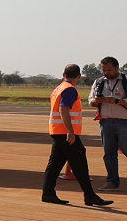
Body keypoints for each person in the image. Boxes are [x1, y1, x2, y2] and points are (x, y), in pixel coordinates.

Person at [41, 63, 114, 207]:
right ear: (79, 77)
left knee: (55, 164)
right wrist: (70, 131)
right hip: (65, 132)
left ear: (64, 74)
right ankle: (90, 196)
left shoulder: (58, 89)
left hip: (57, 131)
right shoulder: (70, 90)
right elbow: (64, 109)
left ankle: (48, 193)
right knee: (79, 161)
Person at [88, 56, 126, 193]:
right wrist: (96, 101)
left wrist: (117, 101)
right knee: (109, 154)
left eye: (109, 70)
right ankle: (112, 182)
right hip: (105, 122)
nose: (106, 73)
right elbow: (90, 100)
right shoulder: (99, 82)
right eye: (104, 70)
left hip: (124, 122)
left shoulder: (125, 81)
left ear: (117, 68)